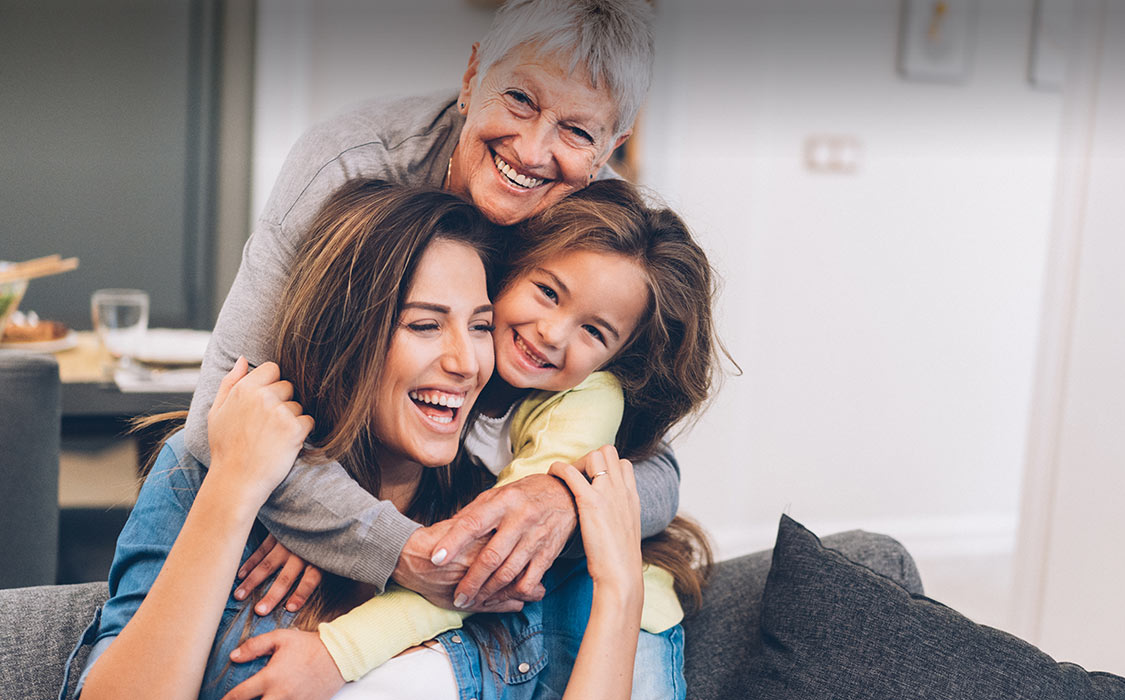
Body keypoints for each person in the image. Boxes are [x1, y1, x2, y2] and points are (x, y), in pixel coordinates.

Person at [75, 179, 715, 700]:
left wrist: (604, 557)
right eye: (425, 325)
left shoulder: (492, 519)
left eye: (481, 326)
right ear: (346, 335)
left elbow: (635, 464)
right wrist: (236, 490)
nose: (467, 363)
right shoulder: (205, 476)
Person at [186, 0, 672, 623]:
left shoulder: (595, 228)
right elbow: (218, 419)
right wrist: (385, 542)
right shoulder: (350, 166)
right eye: (520, 99)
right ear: (473, 78)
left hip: (454, 501)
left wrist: (560, 499)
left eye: (578, 132)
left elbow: (657, 468)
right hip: (332, 493)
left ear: (613, 144)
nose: (531, 149)